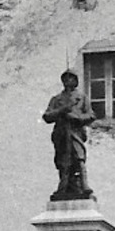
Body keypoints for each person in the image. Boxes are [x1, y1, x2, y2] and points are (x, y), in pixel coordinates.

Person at [41, 70, 96, 200]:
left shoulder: (82, 98)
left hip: (75, 132)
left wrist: (77, 118)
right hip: (61, 133)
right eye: (65, 78)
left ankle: (84, 185)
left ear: (75, 81)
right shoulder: (56, 99)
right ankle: (63, 187)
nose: (68, 81)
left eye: (71, 78)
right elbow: (47, 116)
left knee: (79, 159)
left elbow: (91, 115)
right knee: (63, 162)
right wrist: (61, 111)